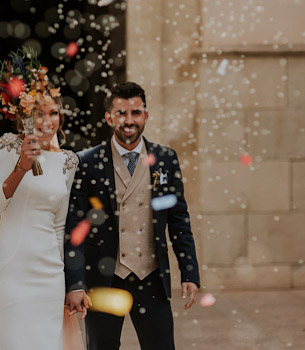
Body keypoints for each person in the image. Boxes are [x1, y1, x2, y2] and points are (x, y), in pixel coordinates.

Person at [63, 82, 201, 350]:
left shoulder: (165, 159)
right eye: (121, 113)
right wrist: (75, 283)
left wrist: (189, 271)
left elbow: (179, 221)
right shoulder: (87, 162)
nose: (129, 121)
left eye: (135, 113)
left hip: (150, 276)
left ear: (146, 116)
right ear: (108, 117)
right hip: (103, 278)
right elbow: (75, 228)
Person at [0, 95, 86, 349]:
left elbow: (60, 225)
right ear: (26, 116)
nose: (47, 121)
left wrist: (70, 281)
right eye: (40, 113)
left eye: (54, 113)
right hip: (10, 265)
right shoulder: (9, 146)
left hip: (49, 271)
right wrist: (21, 167)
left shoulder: (68, 162)